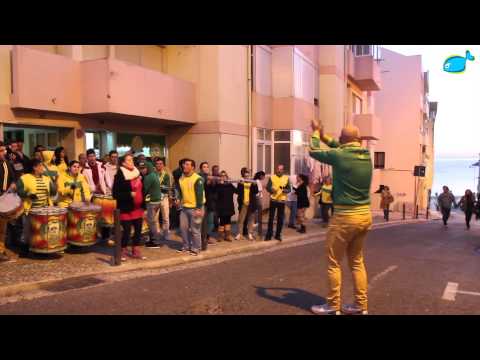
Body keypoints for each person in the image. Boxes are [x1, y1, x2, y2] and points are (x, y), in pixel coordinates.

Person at [309, 120, 373, 315]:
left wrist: (316, 133)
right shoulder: (365, 155)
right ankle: (360, 306)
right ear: (358, 140)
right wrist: (324, 136)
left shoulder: (339, 155)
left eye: (339, 138)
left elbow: (313, 150)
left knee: (333, 262)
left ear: (343, 140)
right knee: (356, 261)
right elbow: (338, 146)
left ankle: (332, 306)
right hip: (364, 215)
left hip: (345, 217)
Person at [17, 159, 57, 254]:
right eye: (41, 166)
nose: (43, 168)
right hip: (29, 209)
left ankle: (40, 247)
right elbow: (19, 191)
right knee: (27, 230)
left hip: (43, 210)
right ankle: (24, 249)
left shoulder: (46, 179)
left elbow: (53, 193)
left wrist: (53, 182)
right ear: (34, 167)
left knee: (41, 230)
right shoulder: (25, 178)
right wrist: (28, 194)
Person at [112, 154, 146, 261]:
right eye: (129, 160)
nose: (132, 161)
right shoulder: (120, 175)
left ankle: (135, 250)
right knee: (126, 231)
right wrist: (129, 194)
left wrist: (144, 205)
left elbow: (142, 190)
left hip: (138, 208)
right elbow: (115, 194)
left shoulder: (137, 172)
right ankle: (123, 250)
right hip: (126, 208)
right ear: (123, 163)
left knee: (138, 230)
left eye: (132, 159)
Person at [176, 159, 205, 256]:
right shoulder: (181, 178)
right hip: (185, 207)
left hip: (195, 208)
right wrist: (178, 199)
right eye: (184, 164)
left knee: (195, 229)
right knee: (183, 228)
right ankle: (186, 246)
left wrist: (198, 208)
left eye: (187, 164)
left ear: (192, 167)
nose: (185, 166)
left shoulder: (198, 179)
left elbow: (200, 195)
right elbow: (180, 192)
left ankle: (196, 248)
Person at [142, 158, 171, 248]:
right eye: (157, 164)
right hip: (156, 198)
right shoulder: (153, 174)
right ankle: (157, 234)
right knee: (155, 219)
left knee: (165, 216)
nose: (159, 165)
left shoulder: (166, 175)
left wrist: (160, 187)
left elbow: (168, 187)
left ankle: (165, 234)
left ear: (163, 165)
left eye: (161, 164)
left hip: (163, 197)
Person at [0, 141, 17, 262]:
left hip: (3, 200)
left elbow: (13, 179)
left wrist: (13, 186)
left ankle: (1, 251)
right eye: (1, 150)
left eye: (4, 150)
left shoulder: (6, 164)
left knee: (2, 229)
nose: (4, 152)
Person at [265, 164, 291, 241]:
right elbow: (267, 187)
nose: (279, 170)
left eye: (281, 169)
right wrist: (272, 190)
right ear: (276, 169)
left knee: (280, 219)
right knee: (271, 218)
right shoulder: (272, 177)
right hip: (273, 200)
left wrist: (284, 190)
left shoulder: (286, 178)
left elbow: (289, 189)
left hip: (281, 201)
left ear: (283, 170)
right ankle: (269, 235)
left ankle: (278, 235)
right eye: (278, 169)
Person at [236, 167, 258, 240]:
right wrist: (240, 184)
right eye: (246, 172)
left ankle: (250, 234)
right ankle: (240, 233)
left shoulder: (253, 181)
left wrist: (254, 184)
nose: (247, 174)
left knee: (251, 219)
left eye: (248, 172)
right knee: (241, 219)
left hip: (251, 203)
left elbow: (256, 191)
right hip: (243, 203)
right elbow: (238, 192)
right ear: (243, 173)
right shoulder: (241, 181)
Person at [215, 171, 236, 242]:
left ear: (227, 177)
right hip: (221, 207)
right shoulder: (217, 186)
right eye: (222, 176)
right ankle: (220, 236)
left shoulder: (230, 185)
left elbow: (237, 191)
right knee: (222, 222)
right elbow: (215, 194)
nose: (223, 177)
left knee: (228, 221)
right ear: (220, 177)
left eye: (225, 176)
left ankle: (227, 236)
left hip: (229, 206)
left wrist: (240, 184)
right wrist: (219, 184)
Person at [199, 162, 217, 248]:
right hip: (203, 202)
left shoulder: (211, 177)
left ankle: (208, 237)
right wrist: (207, 181)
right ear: (201, 168)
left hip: (210, 202)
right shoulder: (199, 177)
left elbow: (215, 188)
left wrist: (213, 181)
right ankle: (203, 239)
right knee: (203, 222)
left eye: (207, 167)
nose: (205, 168)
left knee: (210, 222)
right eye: (204, 167)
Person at [171, 158, 187, 230]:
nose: (186, 165)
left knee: (179, 208)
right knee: (177, 207)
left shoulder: (183, 171)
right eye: (185, 164)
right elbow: (178, 181)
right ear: (182, 164)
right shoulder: (177, 171)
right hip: (178, 189)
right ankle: (174, 224)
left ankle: (177, 223)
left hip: (182, 189)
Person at [253, 171, 266, 238]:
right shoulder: (258, 181)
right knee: (259, 216)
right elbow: (259, 191)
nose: (264, 177)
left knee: (256, 216)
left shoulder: (256, 181)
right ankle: (259, 232)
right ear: (261, 176)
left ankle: (258, 231)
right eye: (264, 176)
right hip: (258, 199)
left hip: (256, 199)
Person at [211, 165, 220, 231]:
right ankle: (216, 226)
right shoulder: (211, 178)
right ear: (212, 171)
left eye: (217, 170)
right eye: (215, 170)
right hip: (213, 198)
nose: (216, 171)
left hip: (221, 198)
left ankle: (221, 226)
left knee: (220, 212)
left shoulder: (221, 177)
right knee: (214, 213)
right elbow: (212, 186)